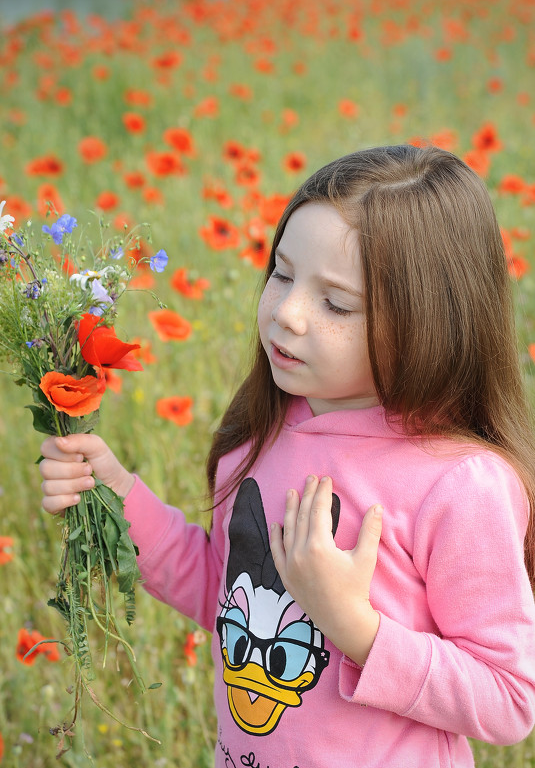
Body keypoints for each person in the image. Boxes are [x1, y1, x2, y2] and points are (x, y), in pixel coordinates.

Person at [40, 144, 535, 768]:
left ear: (429, 322)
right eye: (281, 273)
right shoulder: (263, 435)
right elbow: (219, 590)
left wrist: (354, 627)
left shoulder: (460, 483)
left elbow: (509, 698)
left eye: (336, 303)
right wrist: (114, 494)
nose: (287, 313)